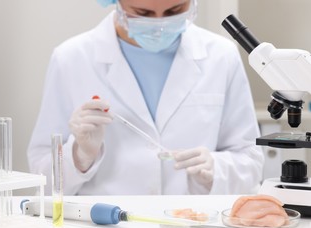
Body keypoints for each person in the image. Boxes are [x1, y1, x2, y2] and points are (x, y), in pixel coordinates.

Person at [27, 0, 264, 195]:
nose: (159, 24)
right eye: (142, 13)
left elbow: (251, 159)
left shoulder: (221, 56)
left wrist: (218, 169)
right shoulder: (71, 58)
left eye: (174, 11)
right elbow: (42, 175)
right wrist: (78, 156)